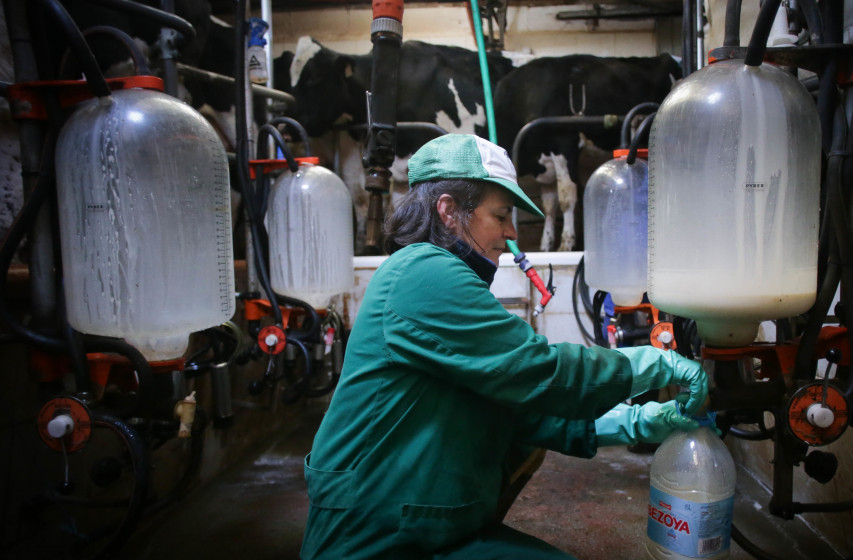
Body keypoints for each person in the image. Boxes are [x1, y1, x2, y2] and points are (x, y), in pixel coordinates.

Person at [299, 134, 709, 560]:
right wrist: (652, 364)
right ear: (448, 211)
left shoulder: (435, 275)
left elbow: (514, 406)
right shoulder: (422, 271)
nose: (512, 233)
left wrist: (637, 422)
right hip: (372, 536)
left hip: (428, 524)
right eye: (501, 216)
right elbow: (538, 372)